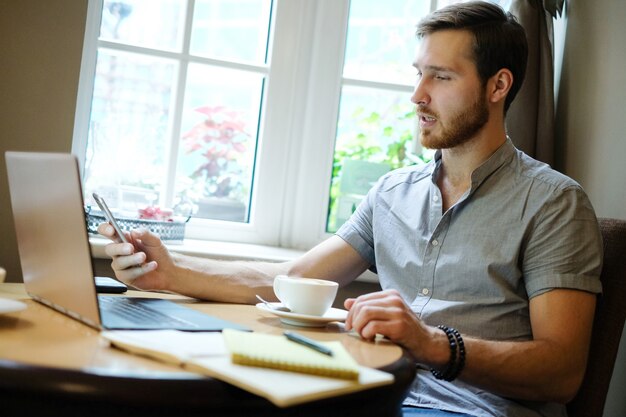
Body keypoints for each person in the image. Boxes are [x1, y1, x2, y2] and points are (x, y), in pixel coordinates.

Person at [99, 2, 603, 416]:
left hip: (469, 410)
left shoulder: (554, 203)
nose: (417, 96)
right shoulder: (391, 193)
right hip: (370, 394)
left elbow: (561, 372)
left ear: (498, 86)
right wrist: (170, 273)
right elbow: (292, 280)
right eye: (418, 74)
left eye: (442, 78)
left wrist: (432, 344)